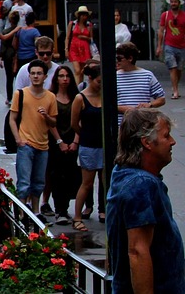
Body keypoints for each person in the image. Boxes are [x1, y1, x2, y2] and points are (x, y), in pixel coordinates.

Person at [106, 108, 183, 293]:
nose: (172, 142)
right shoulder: (140, 184)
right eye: (166, 136)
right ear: (147, 142)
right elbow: (137, 252)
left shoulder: (126, 174)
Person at [11, 59, 61, 216]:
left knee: (39, 183)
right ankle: (21, 214)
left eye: (39, 73)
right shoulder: (21, 94)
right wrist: (18, 139)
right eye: (33, 73)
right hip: (25, 144)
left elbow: (54, 122)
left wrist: (46, 116)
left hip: (43, 145)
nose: (35, 76)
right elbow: (12, 118)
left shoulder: (50, 97)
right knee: (24, 183)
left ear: (45, 76)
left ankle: (35, 212)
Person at [71, 61, 105, 231]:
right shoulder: (80, 98)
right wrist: (83, 135)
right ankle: (77, 216)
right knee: (87, 183)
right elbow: (74, 123)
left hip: (103, 144)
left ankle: (106, 211)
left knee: (106, 181)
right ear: (90, 79)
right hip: (88, 145)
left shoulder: (104, 95)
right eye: (98, 81)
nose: (101, 84)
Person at [46, 65, 81, 225]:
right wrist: (59, 141)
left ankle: (65, 208)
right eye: (61, 76)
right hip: (56, 142)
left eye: (67, 76)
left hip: (73, 140)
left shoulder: (76, 98)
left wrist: (75, 141)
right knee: (56, 175)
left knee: (70, 175)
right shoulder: (51, 97)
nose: (65, 79)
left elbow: (80, 120)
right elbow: (50, 122)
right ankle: (59, 209)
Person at [116, 42, 167, 122]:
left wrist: (149, 105)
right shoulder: (114, 77)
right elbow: (105, 102)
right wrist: (123, 108)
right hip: (121, 124)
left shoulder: (147, 75)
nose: (117, 61)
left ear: (130, 58)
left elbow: (161, 99)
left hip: (142, 123)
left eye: (119, 58)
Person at [157, 0, 185, 100]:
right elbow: (161, 30)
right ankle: (175, 90)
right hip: (169, 45)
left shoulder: (183, 16)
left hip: (182, 46)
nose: (173, 3)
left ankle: (175, 86)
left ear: (179, 3)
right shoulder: (165, 15)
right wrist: (159, 46)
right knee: (172, 67)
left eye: (175, 2)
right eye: (172, 2)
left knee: (179, 69)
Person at [68, 6, 94, 77]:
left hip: (85, 49)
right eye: (82, 15)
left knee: (82, 71)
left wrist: (84, 37)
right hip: (74, 48)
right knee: (77, 70)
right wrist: (66, 49)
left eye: (85, 15)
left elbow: (91, 39)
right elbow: (67, 37)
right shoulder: (72, 24)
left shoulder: (89, 25)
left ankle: (80, 83)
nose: (84, 17)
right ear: (79, 15)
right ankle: (76, 84)